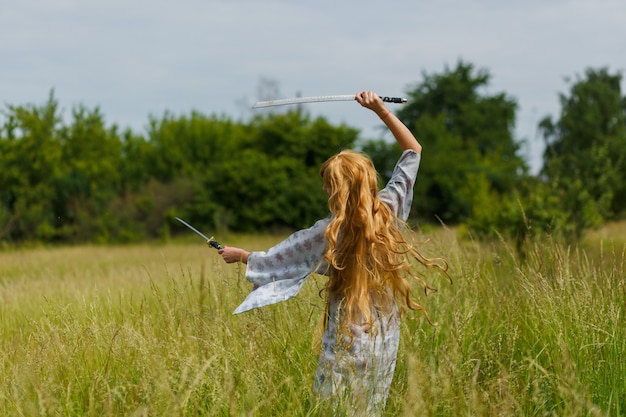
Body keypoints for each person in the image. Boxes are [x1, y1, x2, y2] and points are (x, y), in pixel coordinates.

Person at [218, 91, 448, 415]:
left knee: (333, 405)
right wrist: (380, 110)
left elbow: (279, 258)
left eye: (329, 184)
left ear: (340, 189)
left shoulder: (328, 233)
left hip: (347, 333)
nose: (324, 189)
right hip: (385, 331)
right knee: (371, 405)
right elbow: (413, 150)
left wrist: (241, 255)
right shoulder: (390, 209)